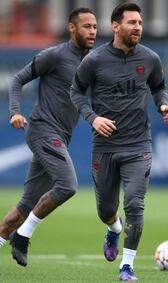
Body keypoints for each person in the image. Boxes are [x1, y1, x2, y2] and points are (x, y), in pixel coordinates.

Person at [70, 2, 168, 281]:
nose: (137, 27)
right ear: (116, 26)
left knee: (135, 203)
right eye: (131, 23)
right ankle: (114, 229)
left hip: (138, 145)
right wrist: (92, 118)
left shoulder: (150, 58)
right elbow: (76, 92)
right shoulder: (94, 60)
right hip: (104, 147)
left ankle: (126, 266)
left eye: (140, 23)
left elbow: (159, 87)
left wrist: (163, 105)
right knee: (106, 209)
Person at [0, 8, 97, 267]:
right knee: (67, 186)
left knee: (24, 208)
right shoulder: (54, 55)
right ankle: (22, 237)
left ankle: (9, 233)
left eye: (95, 27)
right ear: (72, 28)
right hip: (43, 130)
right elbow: (17, 80)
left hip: (59, 137)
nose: (93, 31)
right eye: (87, 26)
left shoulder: (91, 63)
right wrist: (15, 112)